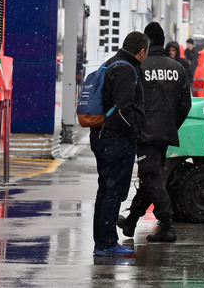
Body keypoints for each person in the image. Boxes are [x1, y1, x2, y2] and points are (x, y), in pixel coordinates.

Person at [117, 23, 192, 242]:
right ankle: (131, 221)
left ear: (145, 41)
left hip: (144, 132)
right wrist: (171, 124)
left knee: (150, 176)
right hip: (165, 132)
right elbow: (185, 104)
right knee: (152, 177)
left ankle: (167, 225)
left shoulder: (138, 66)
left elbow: (128, 101)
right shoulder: (177, 68)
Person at [90, 31, 149, 257]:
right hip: (116, 139)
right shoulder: (126, 69)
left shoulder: (111, 63)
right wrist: (134, 132)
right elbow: (124, 109)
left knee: (105, 190)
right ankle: (106, 244)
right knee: (113, 192)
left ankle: (103, 242)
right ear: (142, 51)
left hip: (103, 135)